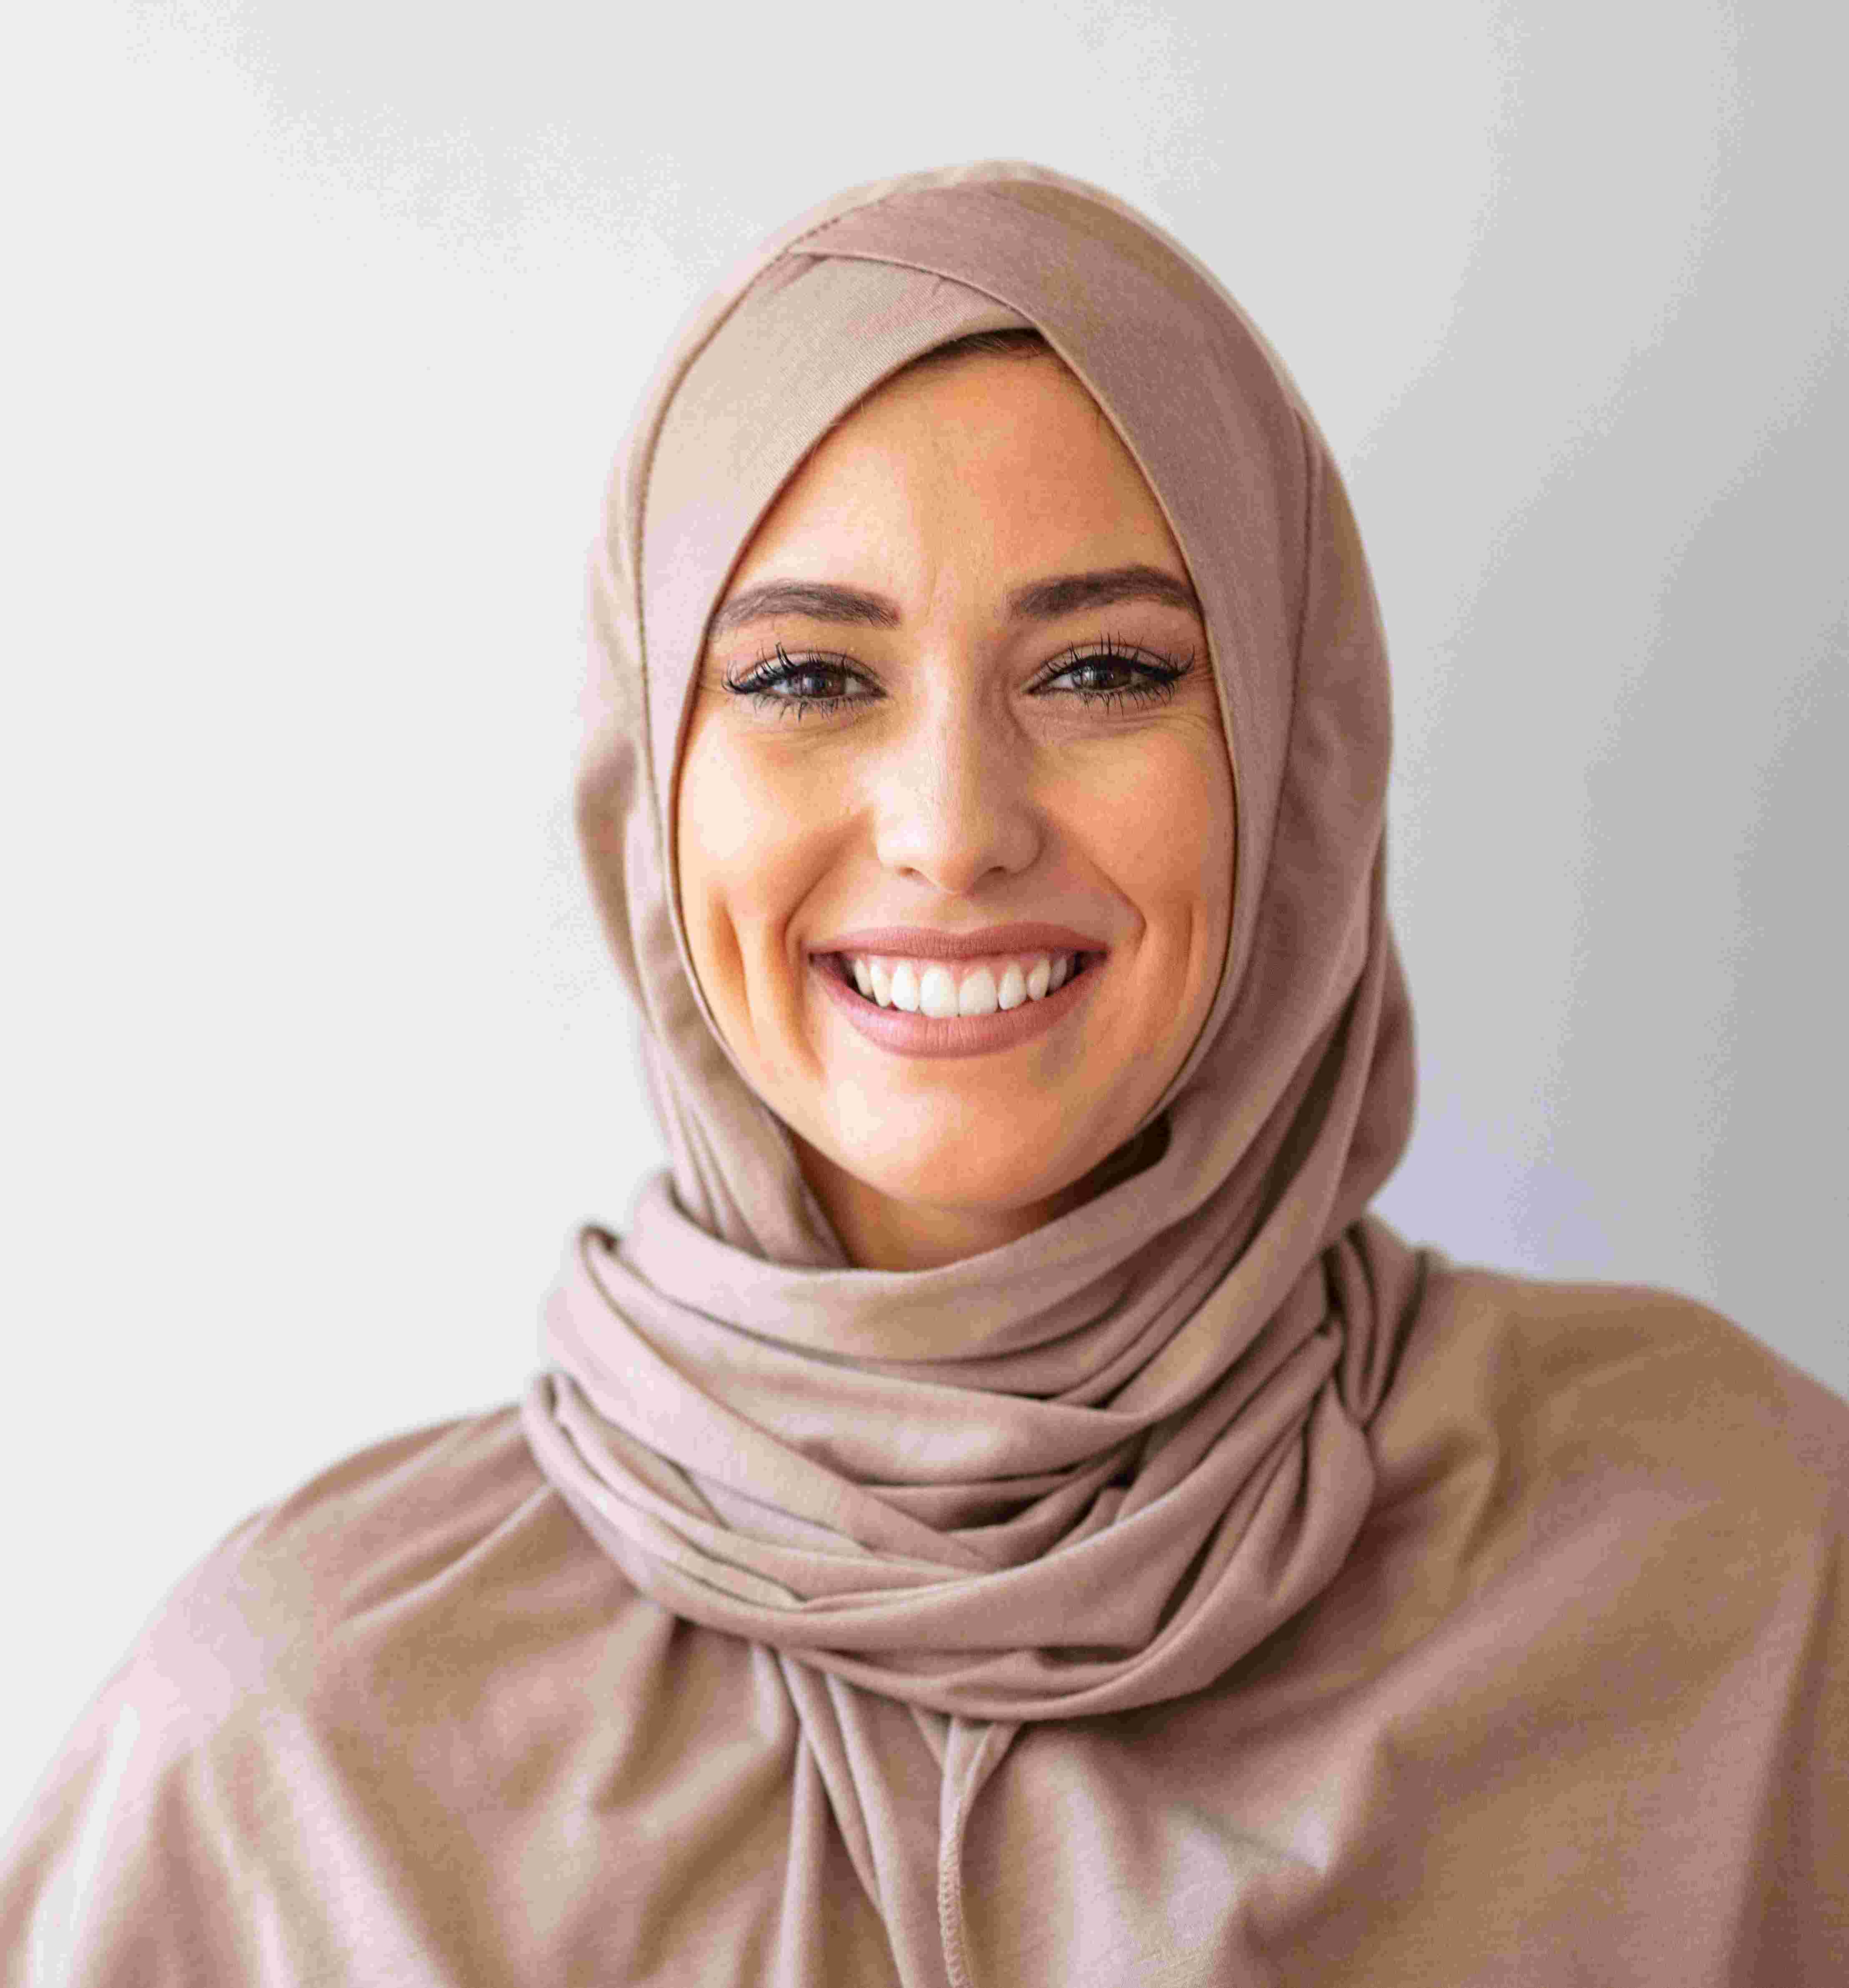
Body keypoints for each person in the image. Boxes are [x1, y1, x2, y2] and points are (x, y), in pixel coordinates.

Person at [3, 161, 1843, 1986]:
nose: (953, 830)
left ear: (1290, 755)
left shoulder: (1743, 1584)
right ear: (648, 784)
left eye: (1105, 667)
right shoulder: (299, 1754)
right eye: (807, 677)